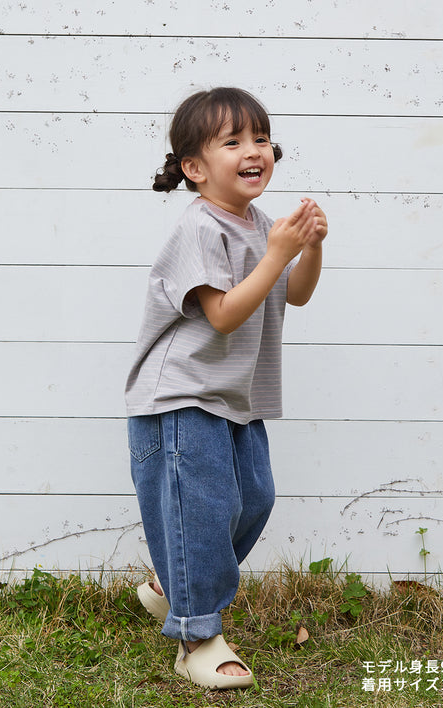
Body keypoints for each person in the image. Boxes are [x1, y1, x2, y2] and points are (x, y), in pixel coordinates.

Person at [125, 87, 328, 690]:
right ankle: (197, 637)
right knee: (204, 511)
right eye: (233, 141)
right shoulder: (199, 227)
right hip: (183, 397)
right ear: (194, 167)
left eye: (261, 138)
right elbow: (221, 314)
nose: (253, 151)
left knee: (255, 499)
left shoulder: (260, 225)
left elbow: (294, 292)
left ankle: (171, 586)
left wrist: (309, 248)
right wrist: (279, 252)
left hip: (235, 397)